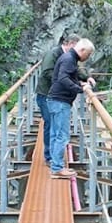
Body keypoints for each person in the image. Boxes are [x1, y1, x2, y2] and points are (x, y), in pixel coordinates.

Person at [47, 38, 95, 179]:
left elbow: (67, 77)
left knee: (55, 134)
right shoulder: (69, 59)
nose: (89, 57)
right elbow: (63, 78)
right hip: (60, 101)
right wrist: (79, 89)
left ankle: (55, 164)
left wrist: (80, 84)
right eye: (89, 54)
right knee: (62, 135)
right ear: (82, 50)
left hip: (55, 100)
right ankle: (57, 168)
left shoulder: (68, 58)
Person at [35, 34, 81, 165]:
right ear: (71, 44)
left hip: (55, 95)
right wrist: (63, 80)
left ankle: (53, 157)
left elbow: (75, 71)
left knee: (54, 125)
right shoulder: (54, 53)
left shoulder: (69, 57)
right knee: (50, 124)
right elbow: (46, 72)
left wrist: (86, 76)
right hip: (46, 94)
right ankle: (50, 157)